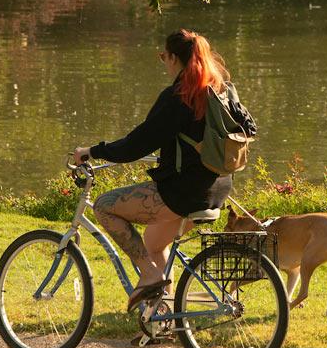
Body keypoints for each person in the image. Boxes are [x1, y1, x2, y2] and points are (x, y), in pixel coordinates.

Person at [72, 29, 246, 309]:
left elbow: (136, 144)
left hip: (182, 193)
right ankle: (160, 315)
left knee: (104, 205)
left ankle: (151, 275)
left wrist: (93, 151)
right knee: (154, 243)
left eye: (164, 56)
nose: (163, 62)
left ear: (175, 58)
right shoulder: (220, 90)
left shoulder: (179, 96)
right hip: (218, 188)